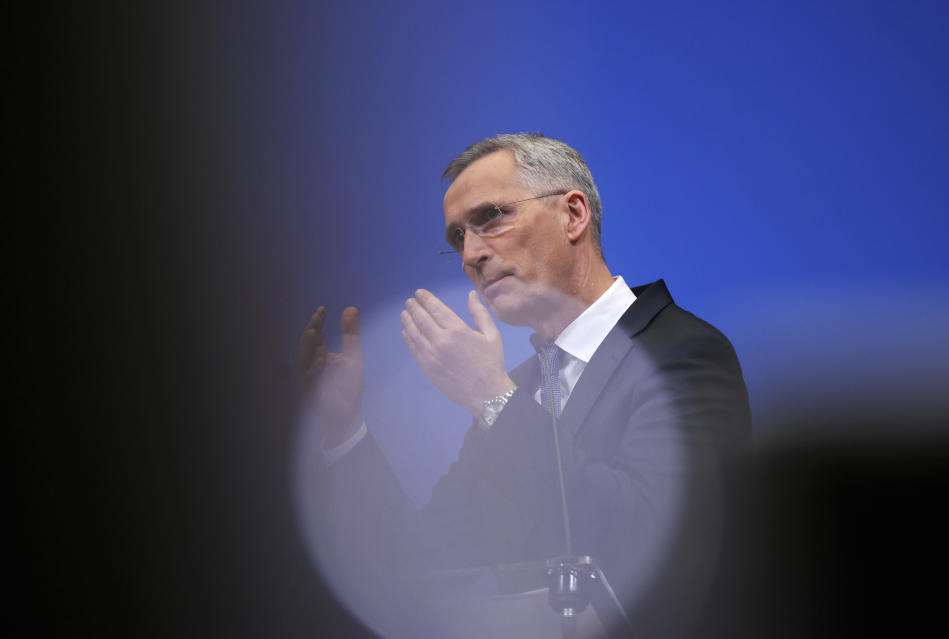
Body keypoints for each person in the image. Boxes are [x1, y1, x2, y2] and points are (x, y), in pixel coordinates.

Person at [298, 134, 751, 638]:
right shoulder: (512, 391)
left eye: (491, 216)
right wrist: (344, 429)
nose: (471, 254)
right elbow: (419, 559)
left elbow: (653, 537)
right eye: (457, 238)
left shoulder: (684, 351)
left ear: (573, 215)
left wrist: (492, 400)